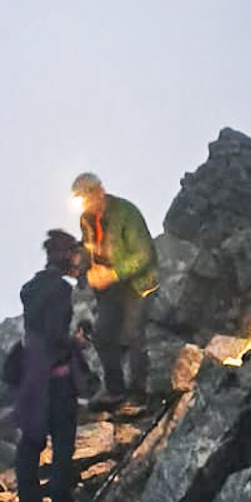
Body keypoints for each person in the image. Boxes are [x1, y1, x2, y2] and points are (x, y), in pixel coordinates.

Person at [13, 229, 86, 502]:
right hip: (55, 379)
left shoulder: (31, 288)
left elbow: (39, 332)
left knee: (31, 443)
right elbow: (56, 335)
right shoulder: (60, 290)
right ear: (66, 255)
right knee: (63, 440)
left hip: (30, 377)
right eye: (74, 254)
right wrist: (76, 342)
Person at [71, 171, 158, 408]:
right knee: (102, 335)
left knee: (133, 333)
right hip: (108, 288)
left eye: (87, 199)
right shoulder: (86, 220)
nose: (86, 206)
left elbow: (144, 254)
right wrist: (81, 261)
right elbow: (88, 247)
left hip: (137, 284)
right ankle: (116, 390)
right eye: (81, 202)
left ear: (100, 191)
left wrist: (113, 273)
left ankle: (140, 395)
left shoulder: (126, 213)